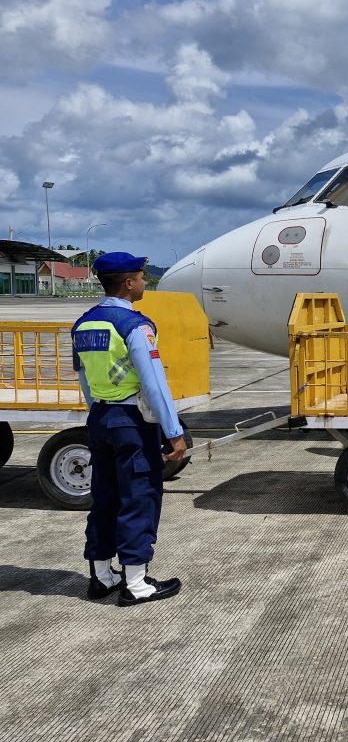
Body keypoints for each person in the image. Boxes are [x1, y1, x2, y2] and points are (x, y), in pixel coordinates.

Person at [72, 252, 187, 606]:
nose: (144, 281)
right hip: (131, 422)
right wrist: (174, 431)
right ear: (127, 284)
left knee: (105, 497)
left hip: (101, 419)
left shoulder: (84, 324)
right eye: (140, 276)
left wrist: (100, 413)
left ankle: (102, 577)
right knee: (139, 497)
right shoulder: (135, 325)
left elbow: (85, 380)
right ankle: (136, 583)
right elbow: (153, 383)